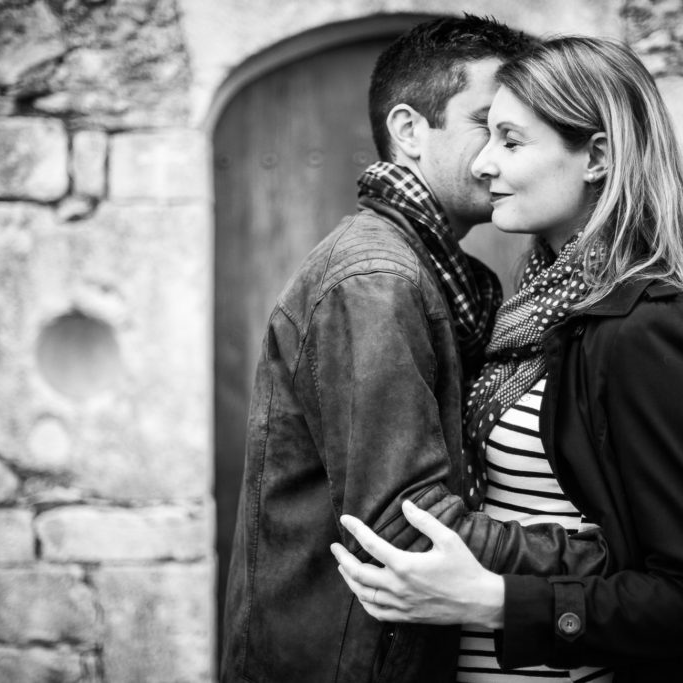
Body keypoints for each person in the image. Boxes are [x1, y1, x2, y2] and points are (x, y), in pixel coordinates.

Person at [332, 36, 683, 682]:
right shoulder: (529, 308)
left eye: (511, 140)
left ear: (598, 158)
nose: (484, 165)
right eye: (487, 134)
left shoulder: (647, 329)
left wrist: (494, 601)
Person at [221, 17, 613, 683]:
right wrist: (592, 561)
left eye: (512, 134)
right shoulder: (378, 280)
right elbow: (406, 525)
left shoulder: (446, 276)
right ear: (409, 132)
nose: (496, 154)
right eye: (486, 124)